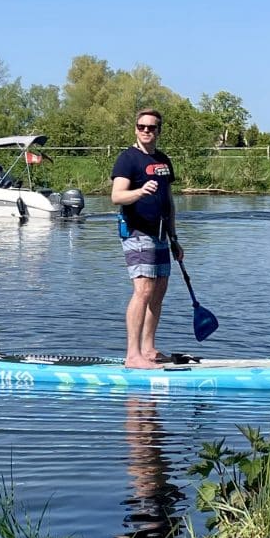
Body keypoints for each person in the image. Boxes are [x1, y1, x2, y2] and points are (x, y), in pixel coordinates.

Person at [111, 108, 183, 369]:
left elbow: (169, 201)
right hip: (137, 232)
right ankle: (133, 355)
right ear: (135, 129)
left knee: (158, 290)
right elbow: (117, 196)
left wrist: (174, 238)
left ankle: (148, 349)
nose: (146, 131)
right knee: (143, 290)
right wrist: (140, 192)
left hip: (161, 233)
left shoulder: (163, 160)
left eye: (151, 127)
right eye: (141, 126)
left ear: (158, 131)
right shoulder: (127, 159)